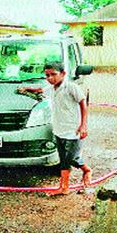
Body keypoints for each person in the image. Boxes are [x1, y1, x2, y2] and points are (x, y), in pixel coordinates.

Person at [18, 61, 92, 196]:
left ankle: (66, 185)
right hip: (59, 129)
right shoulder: (51, 88)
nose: (50, 78)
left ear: (63, 74)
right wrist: (27, 89)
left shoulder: (71, 87)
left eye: (53, 74)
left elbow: (83, 104)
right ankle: (80, 174)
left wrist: (83, 125)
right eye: (47, 75)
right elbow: (40, 90)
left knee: (69, 159)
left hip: (73, 129)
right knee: (64, 157)